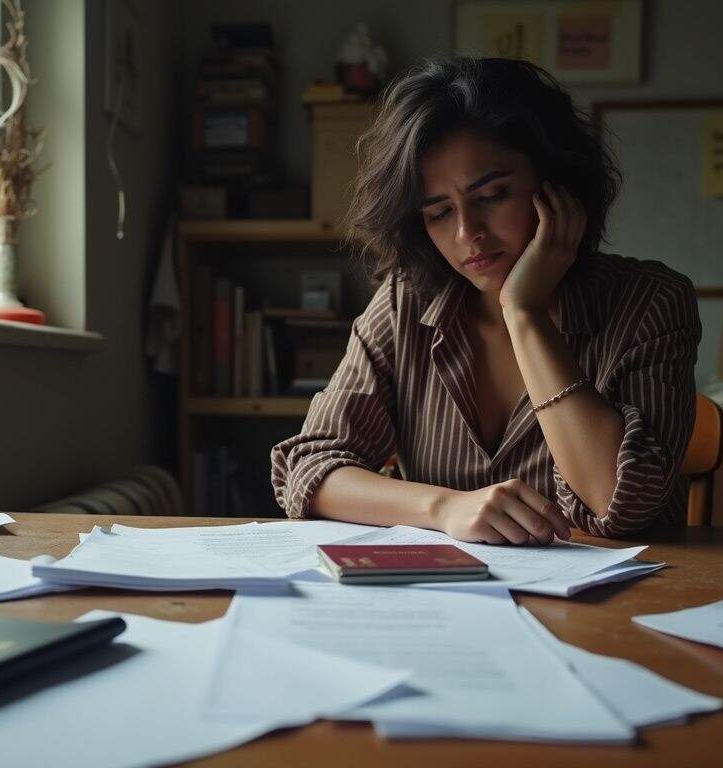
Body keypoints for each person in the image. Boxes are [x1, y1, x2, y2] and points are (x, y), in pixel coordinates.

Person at [271, 56, 701, 544]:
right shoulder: (406, 302)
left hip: (624, 591)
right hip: (450, 588)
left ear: (558, 184)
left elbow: (619, 505)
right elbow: (310, 468)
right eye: (439, 213)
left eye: (492, 195)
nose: (467, 234)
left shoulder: (650, 302)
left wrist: (524, 312)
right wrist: (444, 507)